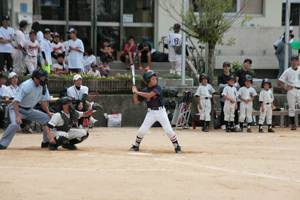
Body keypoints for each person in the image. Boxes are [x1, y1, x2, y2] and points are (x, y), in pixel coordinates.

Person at [130, 70, 182, 154]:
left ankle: (177, 147)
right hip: (151, 112)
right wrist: (134, 93)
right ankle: (136, 145)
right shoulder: (144, 90)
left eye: (155, 78)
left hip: (161, 112)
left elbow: (149, 95)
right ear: (147, 81)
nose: (155, 80)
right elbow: (136, 102)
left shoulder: (158, 88)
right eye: (152, 79)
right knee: (142, 130)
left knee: (168, 130)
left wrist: (137, 92)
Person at [0, 68, 53, 149]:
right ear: (35, 78)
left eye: (44, 76)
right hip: (17, 109)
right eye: (41, 77)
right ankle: (2, 143)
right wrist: (17, 116)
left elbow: (43, 101)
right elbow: (16, 102)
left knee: (48, 119)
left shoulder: (43, 85)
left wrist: (48, 112)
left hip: (30, 110)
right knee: (15, 124)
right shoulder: (26, 86)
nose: (43, 78)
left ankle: (46, 142)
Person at [278, 55, 300, 130]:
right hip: (291, 89)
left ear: (298, 62)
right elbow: (280, 81)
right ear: (291, 61)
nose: (294, 62)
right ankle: (293, 124)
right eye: (293, 60)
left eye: (296, 60)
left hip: (299, 89)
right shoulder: (287, 71)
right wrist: (285, 88)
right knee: (291, 107)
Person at [217, 61, 239, 130]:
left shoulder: (233, 75)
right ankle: (223, 124)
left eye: (228, 66)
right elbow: (220, 85)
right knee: (224, 111)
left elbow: (236, 84)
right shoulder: (221, 76)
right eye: (225, 67)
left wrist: (230, 84)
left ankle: (234, 124)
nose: (226, 68)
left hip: (233, 97)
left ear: (229, 67)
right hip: (225, 97)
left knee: (234, 112)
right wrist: (228, 85)